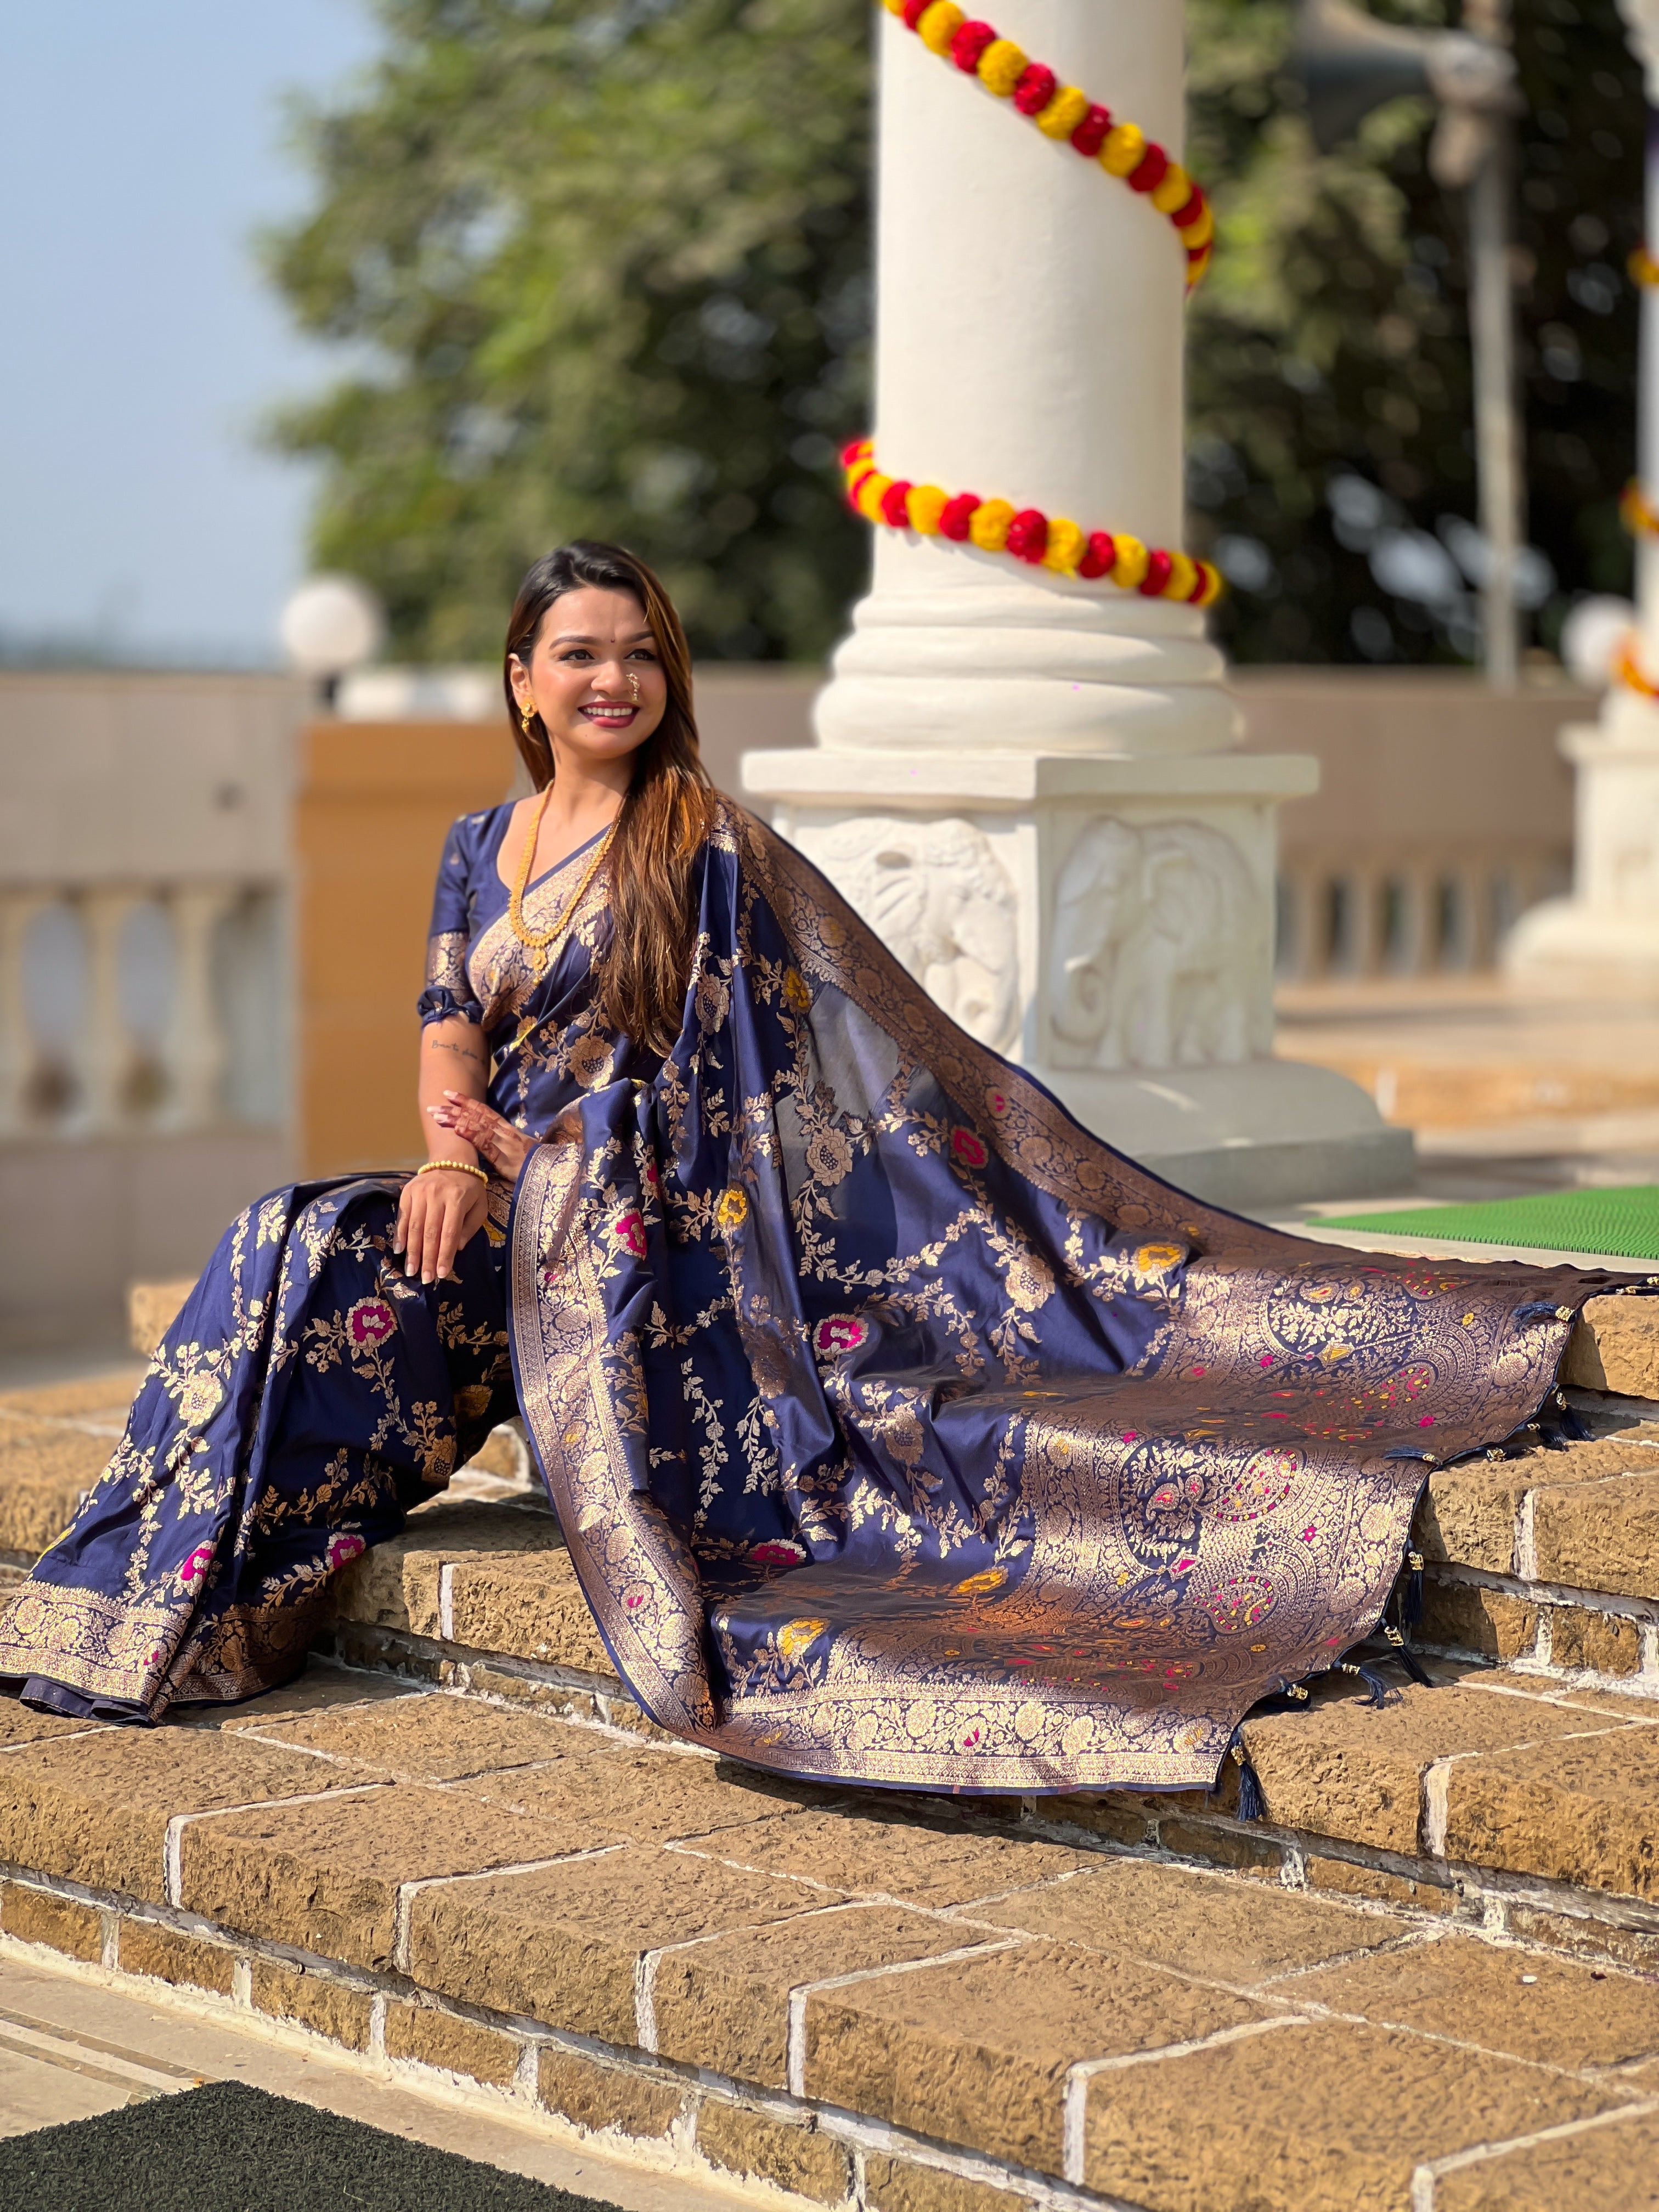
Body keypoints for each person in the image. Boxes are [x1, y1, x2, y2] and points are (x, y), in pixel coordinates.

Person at [0, 542, 1615, 1796]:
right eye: (582, 655)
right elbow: (447, 1020)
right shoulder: (476, 846)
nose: (614, 679)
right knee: (295, 1241)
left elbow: (751, 1093)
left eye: (642, 654)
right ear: (522, 679)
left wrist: (546, 1156)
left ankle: (179, 1595)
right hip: (496, 1213)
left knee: (409, 1241)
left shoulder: (707, 844)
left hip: (639, 1252)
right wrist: (455, 1152)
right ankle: (178, 1599)